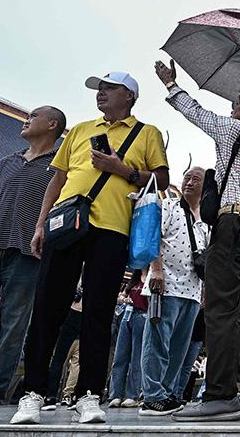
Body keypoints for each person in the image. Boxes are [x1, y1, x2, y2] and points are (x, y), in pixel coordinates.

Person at [15, 72, 169, 425]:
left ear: (129, 96)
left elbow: (161, 180)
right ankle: (33, 393)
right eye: (98, 89)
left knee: (98, 312)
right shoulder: (81, 130)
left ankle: (89, 395)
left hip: (113, 228)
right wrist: (40, 224)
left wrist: (121, 169)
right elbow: (58, 179)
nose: (100, 94)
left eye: (109, 88)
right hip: (67, 224)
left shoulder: (147, 133)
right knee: (47, 308)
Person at [156, 60, 240, 422]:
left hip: (231, 222)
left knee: (220, 311)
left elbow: (196, 112)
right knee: (233, 311)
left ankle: (220, 395)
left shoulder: (233, 129)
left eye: (236, 104)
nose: (231, 109)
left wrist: (172, 84)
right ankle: (231, 388)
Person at [0, 106, 65, 422]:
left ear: (52, 124)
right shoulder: (7, 162)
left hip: (27, 256)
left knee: (12, 331)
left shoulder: (61, 167)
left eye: (33, 116)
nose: (26, 119)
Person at [139, 167, 210, 416]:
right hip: (166, 285)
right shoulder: (168, 205)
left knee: (179, 347)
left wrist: (203, 293)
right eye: (187, 177)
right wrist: (156, 270)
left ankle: (167, 393)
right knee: (157, 341)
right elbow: (153, 237)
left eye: (196, 179)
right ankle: (151, 396)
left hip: (191, 291)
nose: (189, 182)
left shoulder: (205, 220)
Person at [108, 276, 148, 408]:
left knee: (136, 358)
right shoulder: (134, 279)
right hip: (127, 314)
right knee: (120, 356)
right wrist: (124, 299)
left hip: (142, 315)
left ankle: (132, 395)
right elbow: (120, 296)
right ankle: (115, 394)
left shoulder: (151, 277)